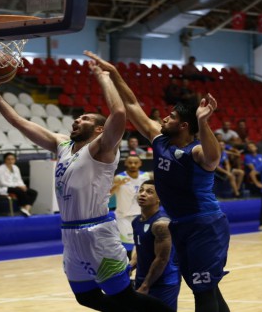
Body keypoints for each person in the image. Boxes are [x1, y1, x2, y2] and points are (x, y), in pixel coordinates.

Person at [0, 58, 173, 311]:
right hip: (70, 233)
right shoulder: (62, 145)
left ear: (98, 129)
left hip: (97, 233)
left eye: (83, 118)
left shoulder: (102, 148)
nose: (76, 120)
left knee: (124, 297)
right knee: (86, 298)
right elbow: (19, 122)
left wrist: (103, 76)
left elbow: (120, 114)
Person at [86, 50, 230, 312]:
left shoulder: (195, 151)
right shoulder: (160, 139)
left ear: (185, 126)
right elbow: (131, 107)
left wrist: (203, 121)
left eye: (172, 117)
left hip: (204, 224)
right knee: (207, 286)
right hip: (180, 225)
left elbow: (213, 158)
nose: (164, 118)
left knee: (203, 291)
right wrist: (114, 73)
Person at [130, 180, 180, 310]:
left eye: (149, 192)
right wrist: (128, 268)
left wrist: (146, 285)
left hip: (164, 282)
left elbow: (162, 259)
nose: (143, 194)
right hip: (142, 278)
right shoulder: (136, 221)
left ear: (159, 198)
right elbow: (139, 249)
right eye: (141, 190)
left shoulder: (161, 224)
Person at [110, 155, 151, 257]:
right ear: (125, 163)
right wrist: (117, 184)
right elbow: (108, 194)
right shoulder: (119, 177)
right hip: (124, 217)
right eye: (130, 162)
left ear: (140, 163)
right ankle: (127, 269)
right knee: (127, 245)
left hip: (142, 216)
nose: (133, 165)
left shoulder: (146, 176)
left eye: (135, 162)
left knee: (143, 243)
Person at [0, 153, 37, 217]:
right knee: (19, 190)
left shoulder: (16, 167)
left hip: (17, 186)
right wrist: (18, 186)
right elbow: (2, 183)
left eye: (12, 159)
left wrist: (23, 186)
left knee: (33, 192)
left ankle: (26, 209)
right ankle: (22, 208)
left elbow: (19, 179)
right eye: (8, 159)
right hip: (4, 188)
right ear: (5, 160)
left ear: (15, 160)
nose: (10, 161)